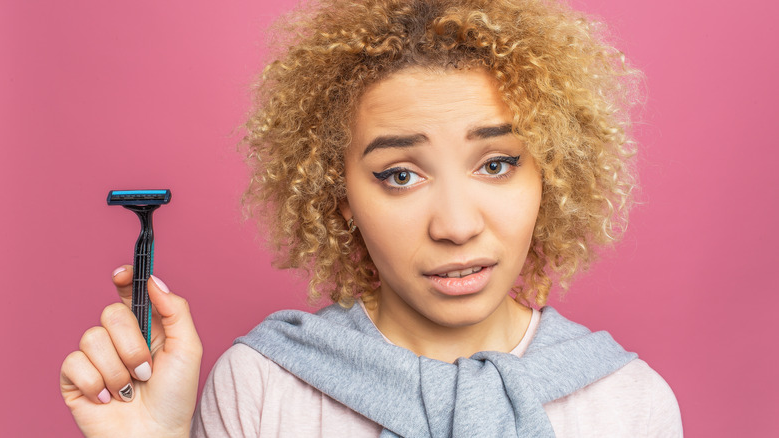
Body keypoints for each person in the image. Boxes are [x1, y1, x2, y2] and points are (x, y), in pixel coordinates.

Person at [60, 0, 683, 436]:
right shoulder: (262, 387)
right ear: (340, 197)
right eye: (401, 175)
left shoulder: (630, 404)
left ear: (551, 173)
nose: (457, 225)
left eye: (496, 164)